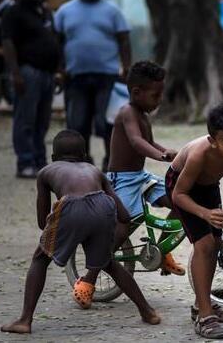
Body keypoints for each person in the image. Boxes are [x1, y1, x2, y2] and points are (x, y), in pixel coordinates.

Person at [0, 130, 160, 334]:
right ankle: (148, 312)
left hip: (71, 207)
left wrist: (63, 230)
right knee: (108, 263)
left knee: (40, 259)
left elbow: (43, 222)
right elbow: (125, 216)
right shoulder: (95, 170)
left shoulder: (46, 171)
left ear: (53, 157)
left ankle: (24, 320)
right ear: (84, 156)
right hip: (104, 205)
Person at [75, 61, 184, 304]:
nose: (159, 99)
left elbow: (150, 143)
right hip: (122, 181)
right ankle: (88, 278)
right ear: (136, 93)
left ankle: (163, 250)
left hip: (140, 177)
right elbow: (136, 142)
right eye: (156, 95)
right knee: (122, 229)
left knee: (178, 199)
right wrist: (161, 156)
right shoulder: (127, 113)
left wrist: (169, 153)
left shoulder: (143, 114)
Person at [165, 104, 223, 339]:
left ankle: (201, 304)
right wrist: (205, 214)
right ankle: (205, 317)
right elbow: (178, 195)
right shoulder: (199, 155)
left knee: (215, 245)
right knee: (204, 245)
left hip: (209, 186)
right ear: (213, 141)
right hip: (182, 187)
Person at [55, 0, 132, 170]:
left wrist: (126, 68)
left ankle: (110, 162)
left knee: (107, 123)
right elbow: (57, 42)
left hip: (106, 77)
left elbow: (124, 40)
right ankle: (82, 163)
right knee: (78, 123)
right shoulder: (65, 10)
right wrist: (59, 69)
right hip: (76, 77)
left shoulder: (112, 10)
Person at [1, 0, 60, 178]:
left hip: (47, 74)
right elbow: (7, 44)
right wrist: (15, 74)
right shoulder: (13, 12)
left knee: (42, 121)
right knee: (26, 119)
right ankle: (25, 162)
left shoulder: (44, 12)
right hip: (28, 72)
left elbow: (53, 40)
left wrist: (58, 70)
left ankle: (39, 160)